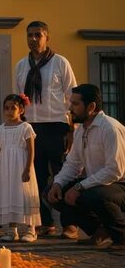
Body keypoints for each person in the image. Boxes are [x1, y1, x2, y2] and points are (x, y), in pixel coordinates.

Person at [15, 20, 77, 237]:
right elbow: (20, 102)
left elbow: (72, 96)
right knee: (37, 176)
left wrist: (71, 129)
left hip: (57, 125)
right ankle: (47, 222)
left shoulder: (60, 63)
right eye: (29, 35)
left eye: (38, 35)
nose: (33, 39)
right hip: (32, 126)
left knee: (63, 174)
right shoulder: (21, 65)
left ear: (46, 37)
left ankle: (70, 223)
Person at [47, 84, 125, 250]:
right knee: (52, 194)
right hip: (97, 184)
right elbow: (73, 163)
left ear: (91, 107)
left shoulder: (110, 128)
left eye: (75, 104)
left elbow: (115, 170)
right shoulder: (81, 130)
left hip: (119, 184)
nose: (70, 108)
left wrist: (79, 186)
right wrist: (57, 183)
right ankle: (101, 231)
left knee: (93, 195)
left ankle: (121, 236)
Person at [0, 94, 41, 242]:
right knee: (9, 194)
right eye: (6, 108)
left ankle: (31, 229)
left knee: (25, 194)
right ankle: (12, 230)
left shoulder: (26, 127)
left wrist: (27, 169)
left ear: (21, 110)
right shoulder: (0, 129)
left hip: (21, 165)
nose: (8, 111)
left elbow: (31, 150)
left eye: (12, 108)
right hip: (5, 167)